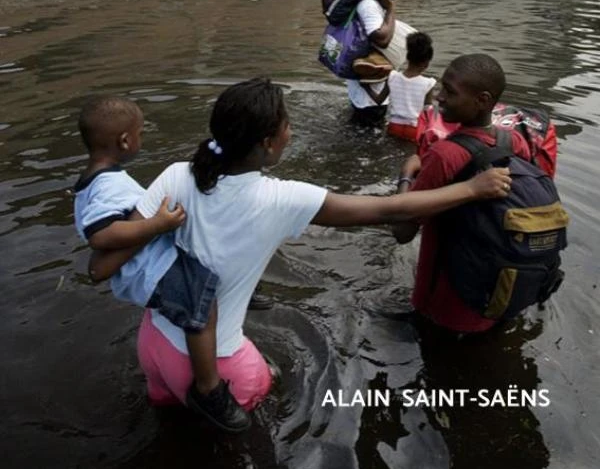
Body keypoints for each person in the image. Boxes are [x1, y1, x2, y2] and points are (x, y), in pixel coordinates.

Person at [89, 78, 511, 411]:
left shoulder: (177, 174)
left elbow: (118, 246)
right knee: (257, 417)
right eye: (287, 126)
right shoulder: (282, 199)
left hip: (153, 345)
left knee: (170, 431)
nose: (291, 133)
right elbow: (388, 210)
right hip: (218, 363)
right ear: (269, 143)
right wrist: (472, 190)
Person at [74, 95, 250, 432]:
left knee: (205, 278)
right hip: (150, 271)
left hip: (151, 265)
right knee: (203, 310)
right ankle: (208, 388)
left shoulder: (97, 181)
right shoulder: (108, 186)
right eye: (140, 133)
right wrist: (158, 224)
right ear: (125, 141)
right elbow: (101, 235)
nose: (142, 139)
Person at [392, 54, 532, 334]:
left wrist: (406, 176)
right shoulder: (516, 141)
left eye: (450, 92)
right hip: (500, 295)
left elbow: (402, 231)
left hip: (446, 304)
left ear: (482, 100)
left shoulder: (444, 155)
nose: (439, 97)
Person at [346, 0, 415, 125]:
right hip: (370, 97)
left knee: (359, 133)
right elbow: (381, 38)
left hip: (367, 90)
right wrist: (391, 8)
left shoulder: (373, 0)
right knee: (368, 140)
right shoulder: (369, 4)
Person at [386, 32, 436, 142]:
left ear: (407, 58)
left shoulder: (392, 76)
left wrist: (366, 87)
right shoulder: (428, 83)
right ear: (426, 63)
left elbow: (379, 100)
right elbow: (428, 110)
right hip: (414, 128)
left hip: (394, 125)